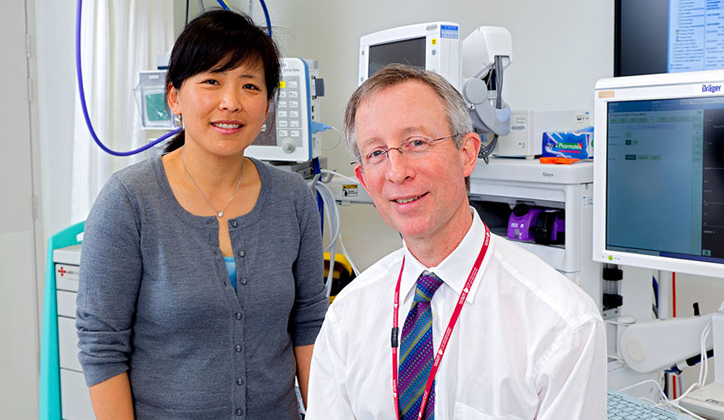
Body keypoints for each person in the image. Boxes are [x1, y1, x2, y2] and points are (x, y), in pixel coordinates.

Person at [305, 64, 606, 420]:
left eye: (416, 143)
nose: (397, 171)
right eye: (376, 153)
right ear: (364, 179)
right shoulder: (346, 317)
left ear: (467, 153)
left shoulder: (562, 324)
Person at [76, 10, 328, 419]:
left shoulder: (293, 199)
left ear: (266, 106)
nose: (231, 102)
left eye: (250, 85)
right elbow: (102, 345)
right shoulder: (128, 202)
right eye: (212, 81)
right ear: (174, 96)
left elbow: (309, 324)